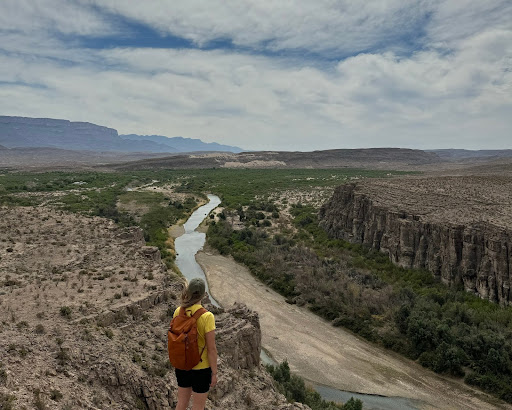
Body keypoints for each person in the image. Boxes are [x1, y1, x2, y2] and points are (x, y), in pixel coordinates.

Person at [174, 278, 217, 410]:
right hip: (201, 369)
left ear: (188, 292)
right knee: (198, 407)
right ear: (204, 294)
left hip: (182, 365)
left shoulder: (178, 311)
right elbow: (211, 349)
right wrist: (214, 373)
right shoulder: (207, 316)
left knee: (181, 403)